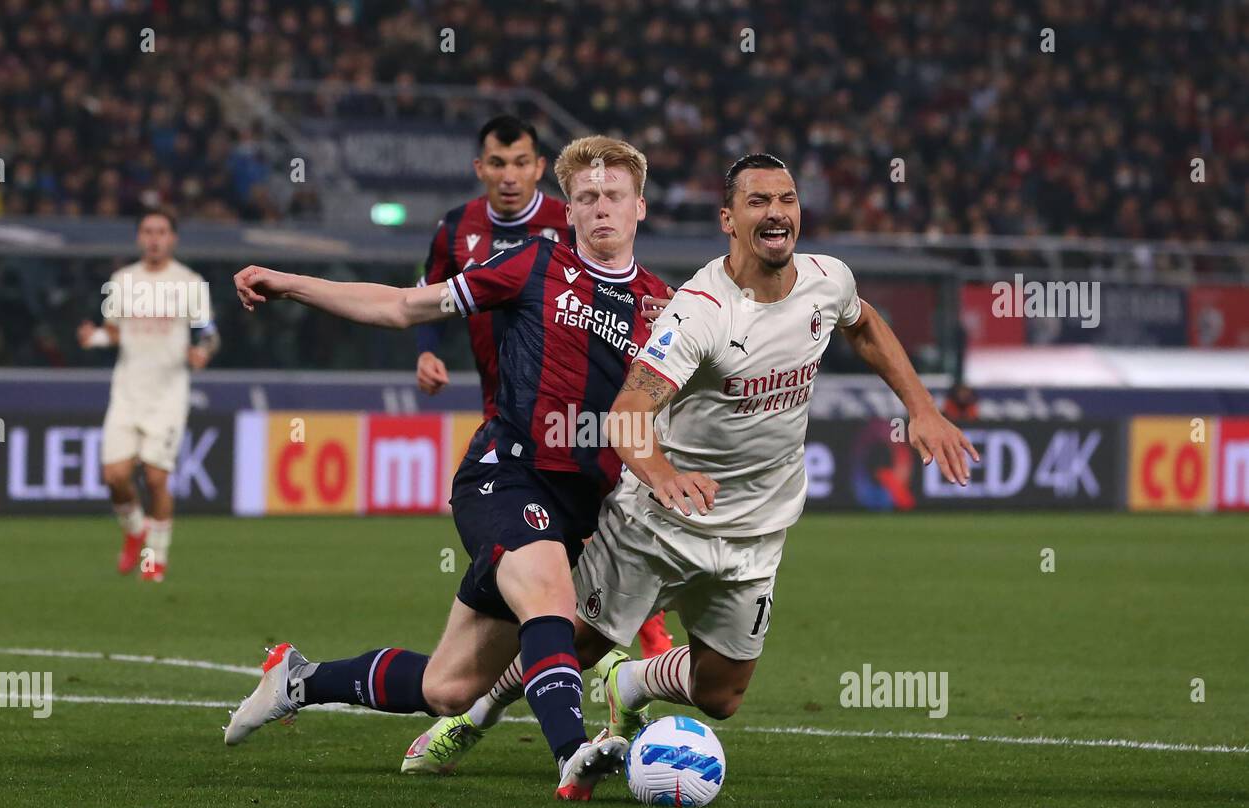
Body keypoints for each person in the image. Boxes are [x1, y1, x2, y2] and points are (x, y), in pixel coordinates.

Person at [410, 153, 979, 762]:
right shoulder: (698, 312)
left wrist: (921, 407)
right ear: (728, 219)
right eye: (758, 202)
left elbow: (863, 325)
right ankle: (473, 717)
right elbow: (630, 409)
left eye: (786, 200)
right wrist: (661, 474)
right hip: (658, 521)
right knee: (565, 649)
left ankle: (631, 685)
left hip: (757, 529)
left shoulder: (827, 279)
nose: (776, 213)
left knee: (721, 694)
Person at [226, 136, 673, 801]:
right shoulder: (530, 265)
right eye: (586, 198)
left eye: (613, 196)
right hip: (506, 475)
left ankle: (298, 678)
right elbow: (407, 306)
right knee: (549, 597)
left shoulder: (665, 309)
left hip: (582, 509)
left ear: (639, 207)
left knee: (448, 686)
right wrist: (292, 284)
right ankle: (571, 756)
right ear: (569, 210)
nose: (600, 208)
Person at [412, 115, 673, 664]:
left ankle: (617, 646)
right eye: (498, 163)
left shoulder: (575, 226)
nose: (509, 176)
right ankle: (568, 684)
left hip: (581, 425)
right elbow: (424, 298)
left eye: (521, 163)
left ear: (536, 168)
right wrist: (427, 348)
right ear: (480, 169)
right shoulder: (457, 229)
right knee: (543, 585)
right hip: (512, 411)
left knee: (581, 554)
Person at [76, 210, 219, 583]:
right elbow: (115, 333)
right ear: (139, 238)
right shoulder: (122, 281)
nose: (154, 238)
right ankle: (135, 529)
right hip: (127, 392)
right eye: (148, 231)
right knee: (115, 476)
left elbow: (209, 333)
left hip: (168, 394)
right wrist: (94, 338)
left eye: (161, 232)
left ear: (173, 238)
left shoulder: (189, 283)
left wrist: (203, 351)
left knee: (156, 478)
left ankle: (155, 557)